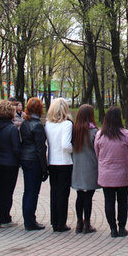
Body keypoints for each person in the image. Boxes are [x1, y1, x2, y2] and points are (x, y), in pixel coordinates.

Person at [95, 107, 128, 238]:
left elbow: (97, 153)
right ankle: (122, 228)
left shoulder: (100, 135)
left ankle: (113, 228)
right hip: (122, 173)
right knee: (123, 201)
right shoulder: (126, 134)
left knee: (109, 201)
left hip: (106, 174)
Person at [0, 100, 21, 228]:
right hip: (9, 164)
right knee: (7, 192)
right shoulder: (12, 129)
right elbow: (16, 148)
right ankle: (5, 218)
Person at [18, 97, 48, 230]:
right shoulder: (37, 125)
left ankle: (28, 219)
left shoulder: (24, 123)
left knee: (27, 191)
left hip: (25, 158)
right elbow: (40, 149)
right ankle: (30, 221)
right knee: (33, 192)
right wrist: (44, 168)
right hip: (34, 160)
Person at [45, 98, 73, 232]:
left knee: (54, 192)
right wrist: (75, 149)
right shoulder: (67, 124)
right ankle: (61, 222)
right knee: (63, 193)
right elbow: (66, 145)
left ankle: (54, 221)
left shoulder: (48, 124)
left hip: (52, 161)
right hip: (64, 162)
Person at [71, 104, 99, 234]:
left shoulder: (74, 131)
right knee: (88, 196)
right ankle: (87, 223)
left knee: (80, 195)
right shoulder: (94, 132)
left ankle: (79, 222)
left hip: (77, 167)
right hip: (91, 167)